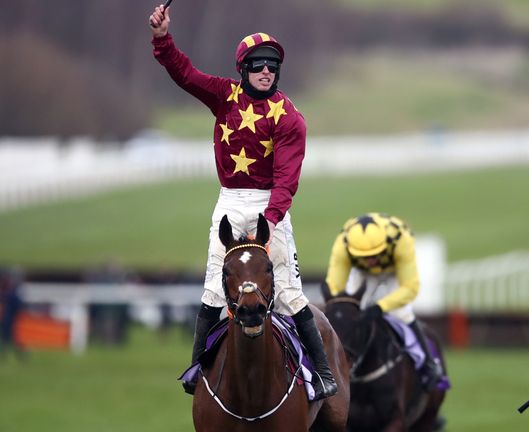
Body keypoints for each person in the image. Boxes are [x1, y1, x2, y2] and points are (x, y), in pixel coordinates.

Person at [148, 4, 337, 399]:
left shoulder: (289, 117)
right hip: (230, 204)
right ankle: (197, 369)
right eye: (257, 65)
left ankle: (322, 374)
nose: (265, 71)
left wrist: (270, 219)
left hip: (272, 206)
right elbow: (184, 74)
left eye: (271, 66)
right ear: (243, 69)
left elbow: (287, 179)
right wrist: (163, 38)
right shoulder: (224, 95)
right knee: (213, 292)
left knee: (287, 292)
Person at [325, 213, 441, 390]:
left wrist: (380, 307)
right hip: (362, 273)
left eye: (374, 254)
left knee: (401, 312)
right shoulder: (343, 244)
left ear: (385, 245)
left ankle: (428, 364)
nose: (370, 260)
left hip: (394, 270)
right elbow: (336, 287)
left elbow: (410, 288)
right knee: (353, 311)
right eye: (364, 256)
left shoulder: (401, 240)